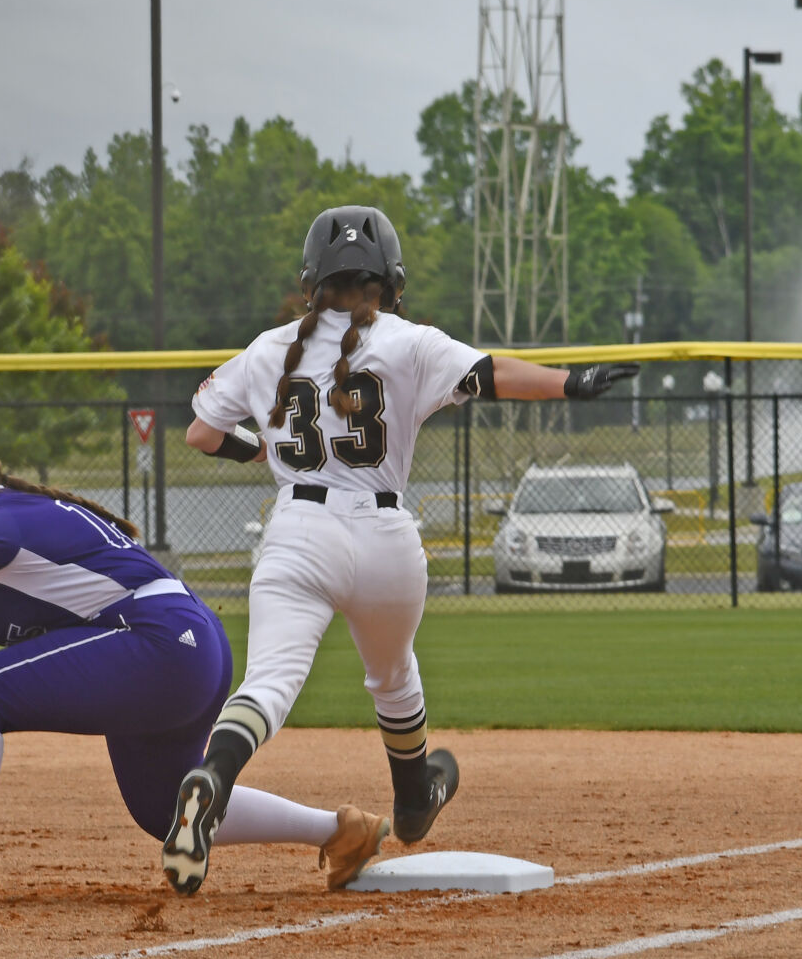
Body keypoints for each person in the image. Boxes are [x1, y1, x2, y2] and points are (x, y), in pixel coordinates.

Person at [161, 204, 636, 895]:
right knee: (392, 677)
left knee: (268, 683)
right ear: (390, 278)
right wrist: (570, 381)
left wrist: (257, 446)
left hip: (297, 529)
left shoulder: (268, 349)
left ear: (309, 279)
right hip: (384, 534)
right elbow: (488, 374)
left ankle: (215, 774)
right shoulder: (409, 341)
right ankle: (414, 799)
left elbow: (201, 433)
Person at [0, 427, 390, 910]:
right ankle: (341, 831)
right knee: (162, 808)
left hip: (156, 646)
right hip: (185, 647)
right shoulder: (0, 515)